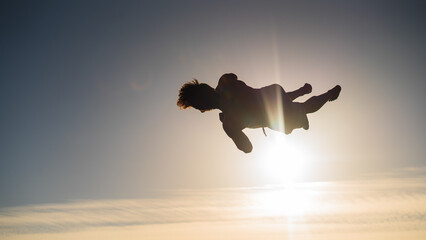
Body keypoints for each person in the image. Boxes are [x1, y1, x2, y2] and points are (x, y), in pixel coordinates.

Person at [177, 73, 341, 153]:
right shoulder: (224, 81)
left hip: (272, 118)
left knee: (305, 109)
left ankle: (328, 94)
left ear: (203, 108)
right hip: (271, 92)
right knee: (280, 102)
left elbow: (247, 148)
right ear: (205, 87)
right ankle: (301, 90)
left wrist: (231, 129)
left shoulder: (229, 123)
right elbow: (233, 76)